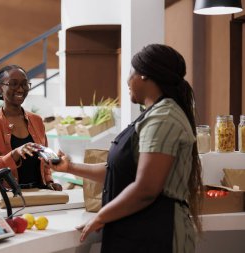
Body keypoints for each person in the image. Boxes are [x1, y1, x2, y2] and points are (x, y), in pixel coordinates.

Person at [46, 44, 202, 252]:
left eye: (130, 72)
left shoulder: (163, 118)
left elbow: (146, 188)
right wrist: (70, 167)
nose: (127, 80)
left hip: (157, 234)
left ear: (145, 75)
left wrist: (101, 216)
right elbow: (121, 173)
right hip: (137, 232)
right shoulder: (154, 114)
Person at [0, 64, 62, 191]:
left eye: (24, 84)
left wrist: (49, 181)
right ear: (0, 88)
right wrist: (14, 154)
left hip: (38, 192)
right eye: (13, 84)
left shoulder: (37, 120)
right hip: (6, 195)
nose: (21, 89)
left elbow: (44, 162)